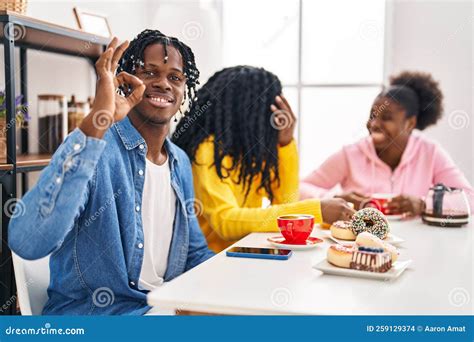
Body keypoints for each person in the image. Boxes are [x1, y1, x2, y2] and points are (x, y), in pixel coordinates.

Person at [8, 30, 214, 315]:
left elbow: (193, 253)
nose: (163, 84)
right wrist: (98, 117)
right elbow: (27, 241)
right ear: (127, 82)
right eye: (150, 73)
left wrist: (239, 279)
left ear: (184, 89)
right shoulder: (97, 146)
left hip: (159, 309)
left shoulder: (179, 160)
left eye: (175, 77)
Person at [173, 66, 354, 252]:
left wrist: (285, 145)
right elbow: (225, 222)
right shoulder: (208, 150)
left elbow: (285, 205)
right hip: (213, 263)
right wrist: (317, 210)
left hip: (247, 255)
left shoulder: (253, 152)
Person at [300, 71, 473, 216]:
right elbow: (299, 188)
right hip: (362, 247)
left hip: (418, 246)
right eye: (372, 116)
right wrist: (335, 197)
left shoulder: (430, 153)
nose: (374, 124)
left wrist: (423, 204)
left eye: (386, 118)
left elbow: (469, 199)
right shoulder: (351, 154)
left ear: (410, 123)